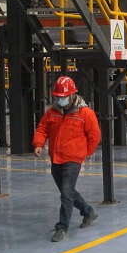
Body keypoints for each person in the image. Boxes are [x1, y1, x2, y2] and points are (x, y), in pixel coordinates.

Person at [33, 76, 101, 242]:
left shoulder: (85, 113)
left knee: (66, 193)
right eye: (58, 97)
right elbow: (42, 129)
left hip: (73, 159)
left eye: (63, 97)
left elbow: (94, 136)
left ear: (72, 95)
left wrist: (84, 153)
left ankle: (62, 228)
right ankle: (88, 211)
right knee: (67, 191)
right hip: (56, 158)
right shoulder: (52, 112)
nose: (60, 100)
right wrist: (38, 144)